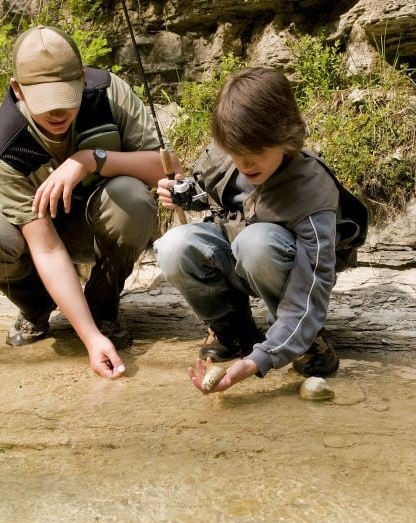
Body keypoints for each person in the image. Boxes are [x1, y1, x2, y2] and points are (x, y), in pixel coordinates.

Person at [0, 25, 181, 379]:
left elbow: (167, 169)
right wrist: (90, 341)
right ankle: (37, 306)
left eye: (66, 98)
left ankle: (103, 307)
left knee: (132, 198)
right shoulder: (1, 149)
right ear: (17, 89)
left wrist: (89, 159)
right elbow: (46, 249)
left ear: (82, 78)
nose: (57, 113)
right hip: (33, 237)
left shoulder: (108, 92)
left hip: (98, 217)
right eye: (45, 103)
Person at [154, 66, 368, 394]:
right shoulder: (226, 154)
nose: (246, 164)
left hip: (283, 273)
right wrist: (182, 192)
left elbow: (312, 285)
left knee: (257, 244)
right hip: (234, 254)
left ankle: (302, 341)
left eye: (256, 155)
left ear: (286, 137)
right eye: (236, 154)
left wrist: (258, 361)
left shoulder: (312, 191)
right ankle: (232, 332)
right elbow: (209, 195)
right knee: (174, 246)